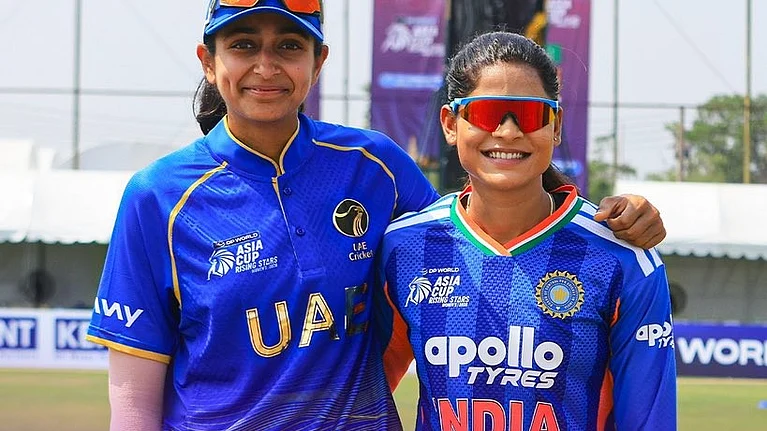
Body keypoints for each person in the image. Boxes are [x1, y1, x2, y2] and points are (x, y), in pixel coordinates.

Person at [85, 2, 667, 430]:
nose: (266, 65)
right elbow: (134, 399)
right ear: (208, 62)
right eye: (242, 45)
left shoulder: (375, 166)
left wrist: (606, 216)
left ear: (318, 62)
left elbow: (488, 210)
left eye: (289, 45)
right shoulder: (157, 196)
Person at [374, 31, 676, 431]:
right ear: (450, 123)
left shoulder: (623, 257)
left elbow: (648, 420)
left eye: (530, 115)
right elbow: (359, 398)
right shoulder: (402, 249)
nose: (508, 131)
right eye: (487, 112)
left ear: (555, 126)